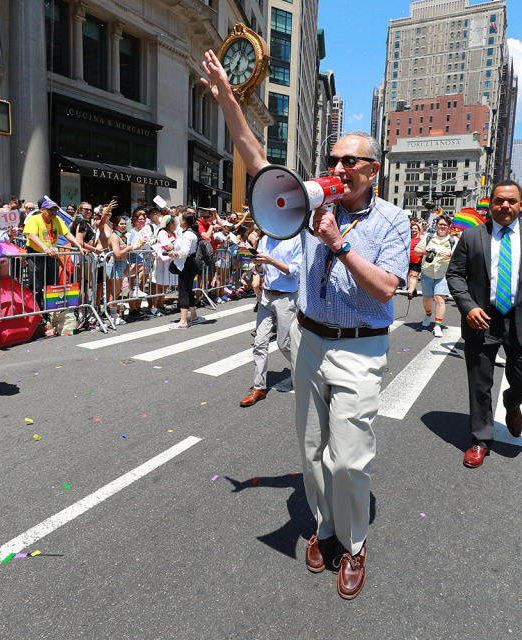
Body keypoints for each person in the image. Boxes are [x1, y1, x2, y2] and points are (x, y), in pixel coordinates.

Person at [202, 49, 410, 600]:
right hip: (310, 340)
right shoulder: (312, 203)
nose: (339, 169)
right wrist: (226, 94)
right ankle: (322, 529)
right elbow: (256, 164)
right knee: (313, 449)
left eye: (350, 162)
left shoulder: (393, 219)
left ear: (373, 170)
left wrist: (337, 245)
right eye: (335, 159)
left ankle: (355, 543)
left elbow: (387, 287)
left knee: (349, 457)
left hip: (361, 351)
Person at [446, 180, 522, 467]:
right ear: (490, 203)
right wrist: (468, 307)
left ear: (521, 204)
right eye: (499, 200)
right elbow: (454, 275)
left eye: (511, 201)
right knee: (479, 382)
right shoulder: (472, 236)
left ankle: (513, 403)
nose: (505, 206)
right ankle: (480, 439)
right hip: (482, 320)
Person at [239, 234, 302, 407]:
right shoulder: (266, 239)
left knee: (285, 344)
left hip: (287, 298)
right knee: (259, 342)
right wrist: (259, 264)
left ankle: (301, 372)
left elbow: (295, 270)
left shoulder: (296, 239)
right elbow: (262, 271)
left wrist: (271, 261)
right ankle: (258, 387)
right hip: (266, 296)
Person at [23, 196, 88, 310]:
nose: (54, 212)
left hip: (52, 255)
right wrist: (46, 249)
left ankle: (51, 313)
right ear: (42, 209)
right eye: (50, 210)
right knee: (36, 286)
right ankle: (37, 314)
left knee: (52, 285)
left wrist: (79, 247)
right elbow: (32, 236)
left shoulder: (57, 219)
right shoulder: (34, 219)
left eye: (55, 210)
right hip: (36, 255)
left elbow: (67, 234)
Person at [414, 214, 458, 337]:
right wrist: (425, 252)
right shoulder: (428, 237)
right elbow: (417, 249)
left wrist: (449, 253)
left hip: (443, 274)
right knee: (427, 298)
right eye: (440, 224)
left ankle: (437, 325)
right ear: (436, 225)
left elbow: (460, 256)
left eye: (445, 225)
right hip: (427, 272)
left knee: (439, 299)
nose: (442, 226)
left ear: (449, 227)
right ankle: (428, 315)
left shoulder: (453, 240)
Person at [170, 212, 201, 329]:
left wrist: (173, 253)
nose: (179, 220)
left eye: (181, 219)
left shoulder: (188, 234)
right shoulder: (187, 232)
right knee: (188, 290)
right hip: (189, 263)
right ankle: (193, 314)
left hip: (187, 264)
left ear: (184, 221)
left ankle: (183, 320)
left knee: (183, 290)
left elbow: (184, 252)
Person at [406, 220, 423, 299]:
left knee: (413, 276)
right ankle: (413, 289)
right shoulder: (407, 239)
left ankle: (410, 292)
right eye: (412, 228)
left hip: (417, 261)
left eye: (415, 228)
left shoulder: (422, 240)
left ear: (419, 230)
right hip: (407, 260)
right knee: (410, 276)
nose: (413, 230)